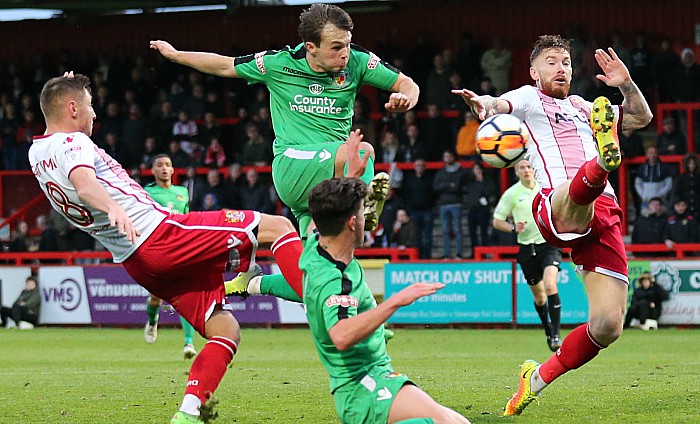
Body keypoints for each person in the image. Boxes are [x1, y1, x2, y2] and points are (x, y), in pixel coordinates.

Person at [29, 73, 306, 423]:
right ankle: (333, 310)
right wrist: (112, 207)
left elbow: (71, 171)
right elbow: (85, 184)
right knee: (279, 227)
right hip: (161, 234)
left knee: (225, 330)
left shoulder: (37, 153)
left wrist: (63, 85)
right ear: (72, 109)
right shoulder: (74, 142)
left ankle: (187, 415)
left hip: (138, 263)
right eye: (88, 105)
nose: (94, 114)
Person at [453, 34, 653, 415]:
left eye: (565, 62)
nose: (561, 68)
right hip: (555, 204)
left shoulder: (582, 105)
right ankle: (601, 165)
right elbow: (500, 104)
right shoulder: (530, 99)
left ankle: (537, 378)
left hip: (603, 216)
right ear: (534, 71)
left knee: (608, 325)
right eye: (551, 62)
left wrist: (625, 84)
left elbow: (642, 117)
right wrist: (485, 105)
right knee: (579, 191)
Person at [150, 3, 420, 239]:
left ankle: (253, 282)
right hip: (292, 165)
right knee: (362, 151)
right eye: (336, 47)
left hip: (330, 175)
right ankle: (363, 206)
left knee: (325, 260)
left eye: (348, 44)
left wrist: (406, 98)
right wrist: (175, 55)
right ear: (311, 47)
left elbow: (407, 83)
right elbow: (224, 65)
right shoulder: (279, 63)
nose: (345, 54)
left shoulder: (357, 62)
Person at [301, 177, 470, 424]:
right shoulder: (336, 281)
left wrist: (350, 170)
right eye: (362, 212)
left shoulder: (314, 244)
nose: (368, 217)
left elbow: (318, 214)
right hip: (361, 387)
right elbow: (341, 335)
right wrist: (396, 301)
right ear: (351, 223)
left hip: (374, 376)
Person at [492, 159, 563, 351]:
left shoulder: (545, 187)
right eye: (522, 168)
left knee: (550, 284)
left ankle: (556, 335)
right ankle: (548, 330)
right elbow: (497, 221)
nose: (526, 170)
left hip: (548, 245)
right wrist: (513, 227)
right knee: (540, 297)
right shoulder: (512, 193)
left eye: (529, 167)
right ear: (516, 172)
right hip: (527, 250)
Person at [142, 153, 198, 360]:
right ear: (153, 171)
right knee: (156, 296)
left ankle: (189, 342)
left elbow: (187, 219)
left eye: (168, 165)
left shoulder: (182, 192)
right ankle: (153, 320)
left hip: (181, 248)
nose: (164, 168)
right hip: (158, 249)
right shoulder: (148, 192)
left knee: (187, 295)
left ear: (173, 170)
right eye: (160, 165)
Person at [433, 150, 468, 259]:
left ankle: (459, 254)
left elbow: (458, 187)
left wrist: (445, 186)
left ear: (453, 157)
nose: (447, 158)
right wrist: (449, 185)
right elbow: (436, 187)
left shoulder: (460, 172)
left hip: (456, 203)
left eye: (449, 156)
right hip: (443, 204)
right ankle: (447, 254)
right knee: (445, 230)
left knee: (458, 229)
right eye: (445, 156)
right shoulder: (441, 172)